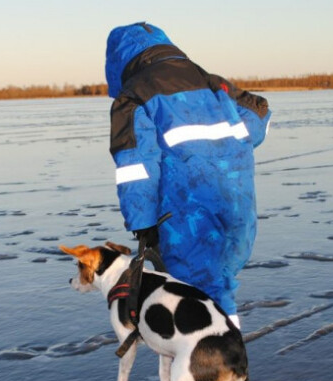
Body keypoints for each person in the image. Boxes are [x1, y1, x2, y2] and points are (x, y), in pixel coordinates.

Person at [105, 22, 271, 328]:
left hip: (187, 212)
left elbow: (136, 167)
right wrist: (226, 150)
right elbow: (259, 112)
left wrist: (143, 224)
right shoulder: (210, 81)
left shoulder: (134, 97)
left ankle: (211, 369)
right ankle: (229, 365)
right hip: (237, 204)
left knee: (197, 292)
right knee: (220, 285)